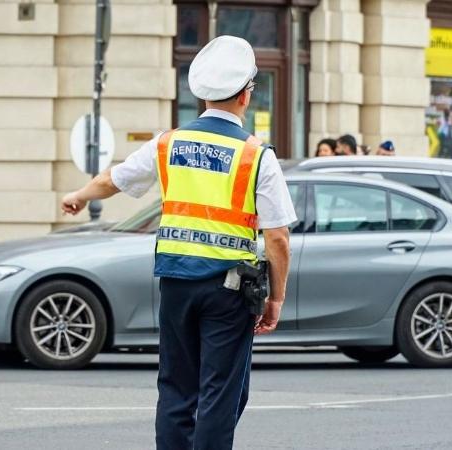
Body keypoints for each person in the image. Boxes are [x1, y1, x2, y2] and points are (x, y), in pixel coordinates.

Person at [60, 35, 295, 450]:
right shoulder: (256, 155)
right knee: (222, 395)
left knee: (176, 390)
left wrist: (78, 196)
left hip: (175, 282)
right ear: (246, 96)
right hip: (229, 290)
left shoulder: (169, 143)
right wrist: (276, 298)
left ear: (203, 95)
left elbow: (112, 179)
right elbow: (276, 236)